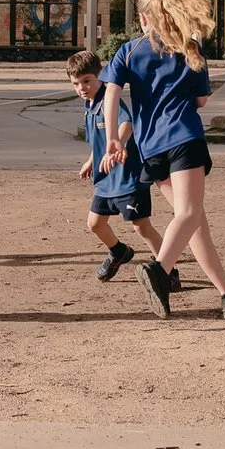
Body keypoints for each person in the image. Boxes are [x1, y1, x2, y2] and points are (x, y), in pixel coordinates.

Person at [100, 0, 225, 318]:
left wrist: (112, 138)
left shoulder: (128, 51)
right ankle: (159, 271)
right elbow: (201, 100)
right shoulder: (189, 48)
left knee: (195, 221)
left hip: (150, 148)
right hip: (184, 139)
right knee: (188, 215)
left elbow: (110, 93)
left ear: (144, 17)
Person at [67, 49, 162, 280]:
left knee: (141, 226)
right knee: (95, 223)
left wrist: (117, 143)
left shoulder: (110, 99)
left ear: (100, 75)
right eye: (76, 83)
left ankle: (167, 269)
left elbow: (126, 124)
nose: (82, 88)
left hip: (128, 178)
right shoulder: (89, 106)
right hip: (106, 178)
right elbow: (97, 141)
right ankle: (119, 251)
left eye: (87, 81)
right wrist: (91, 160)